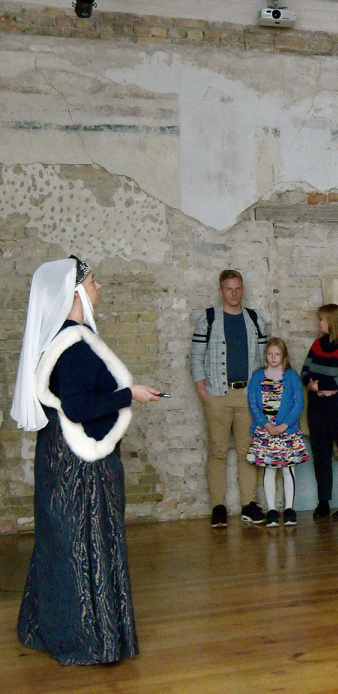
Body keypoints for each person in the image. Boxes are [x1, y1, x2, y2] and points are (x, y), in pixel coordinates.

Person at [11, 257, 162, 664]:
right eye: (93, 282)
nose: (99, 288)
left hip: (59, 455)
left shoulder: (61, 338)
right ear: (75, 291)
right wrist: (130, 394)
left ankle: (47, 628)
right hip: (80, 465)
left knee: (62, 541)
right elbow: (78, 408)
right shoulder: (74, 345)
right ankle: (87, 641)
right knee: (84, 542)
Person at [191, 269, 270, 528]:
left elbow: (264, 360)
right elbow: (196, 356)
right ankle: (218, 507)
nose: (234, 294)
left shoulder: (255, 319)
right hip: (217, 395)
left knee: (248, 451)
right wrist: (203, 391)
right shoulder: (208, 319)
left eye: (237, 289)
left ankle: (249, 504)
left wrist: (261, 392)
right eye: (229, 289)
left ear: (243, 290)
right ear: (221, 291)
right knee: (218, 451)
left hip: (247, 395)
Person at [300, 304, 338, 520]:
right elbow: (304, 371)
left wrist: (320, 386)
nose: (318, 323)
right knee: (321, 456)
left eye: (321, 319)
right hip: (317, 408)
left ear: (332, 321)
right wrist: (314, 386)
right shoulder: (317, 344)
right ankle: (323, 502)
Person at [247, 338, 308, 528]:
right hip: (266, 431)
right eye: (270, 354)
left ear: (284, 356)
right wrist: (265, 424)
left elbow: (298, 403)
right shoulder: (258, 376)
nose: (273, 358)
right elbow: (253, 403)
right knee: (269, 469)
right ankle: (272, 509)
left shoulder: (291, 376)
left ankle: (289, 509)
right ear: (266, 355)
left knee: (288, 469)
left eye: (277, 354)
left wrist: (284, 425)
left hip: (286, 431)